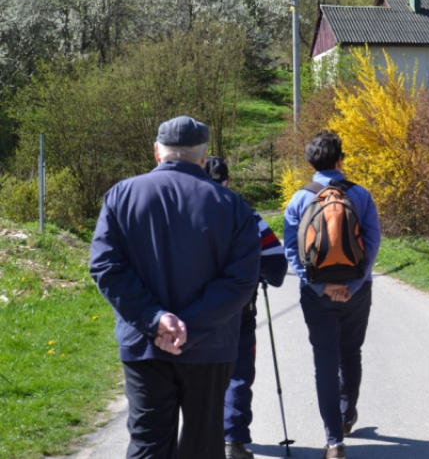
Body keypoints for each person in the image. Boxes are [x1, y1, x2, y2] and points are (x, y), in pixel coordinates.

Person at [90, 116, 261, 459]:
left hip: (144, 345)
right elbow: (241, 280)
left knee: (149, 443)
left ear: (157, 152)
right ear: (203, 156)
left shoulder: (121, 195)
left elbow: (106, 266)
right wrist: (189, 328)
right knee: (203, 445)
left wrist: (156, 321)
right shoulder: (233, 206)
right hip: (211, 347)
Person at [283, 131, 381, 459]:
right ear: (341, 160)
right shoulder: (361, 195)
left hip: (316, 294)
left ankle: (334, 441)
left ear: (311, 163)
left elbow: (291, 251)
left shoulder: (299, 199)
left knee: (325, 361)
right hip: (357, 290)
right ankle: (346, 413)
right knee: (350, 354)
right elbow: (373, 242)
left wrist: (320, 287)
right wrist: (352, 287)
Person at [203, 156, 289, 459]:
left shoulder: (177, 214)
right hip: (239, 311)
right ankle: (232, 441)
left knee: (193, 374)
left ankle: (199, 440)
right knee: (238, 374)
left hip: (190, 314)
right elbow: (276, 262)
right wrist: (261, 275)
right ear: (228, 181)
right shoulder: (246, 214)